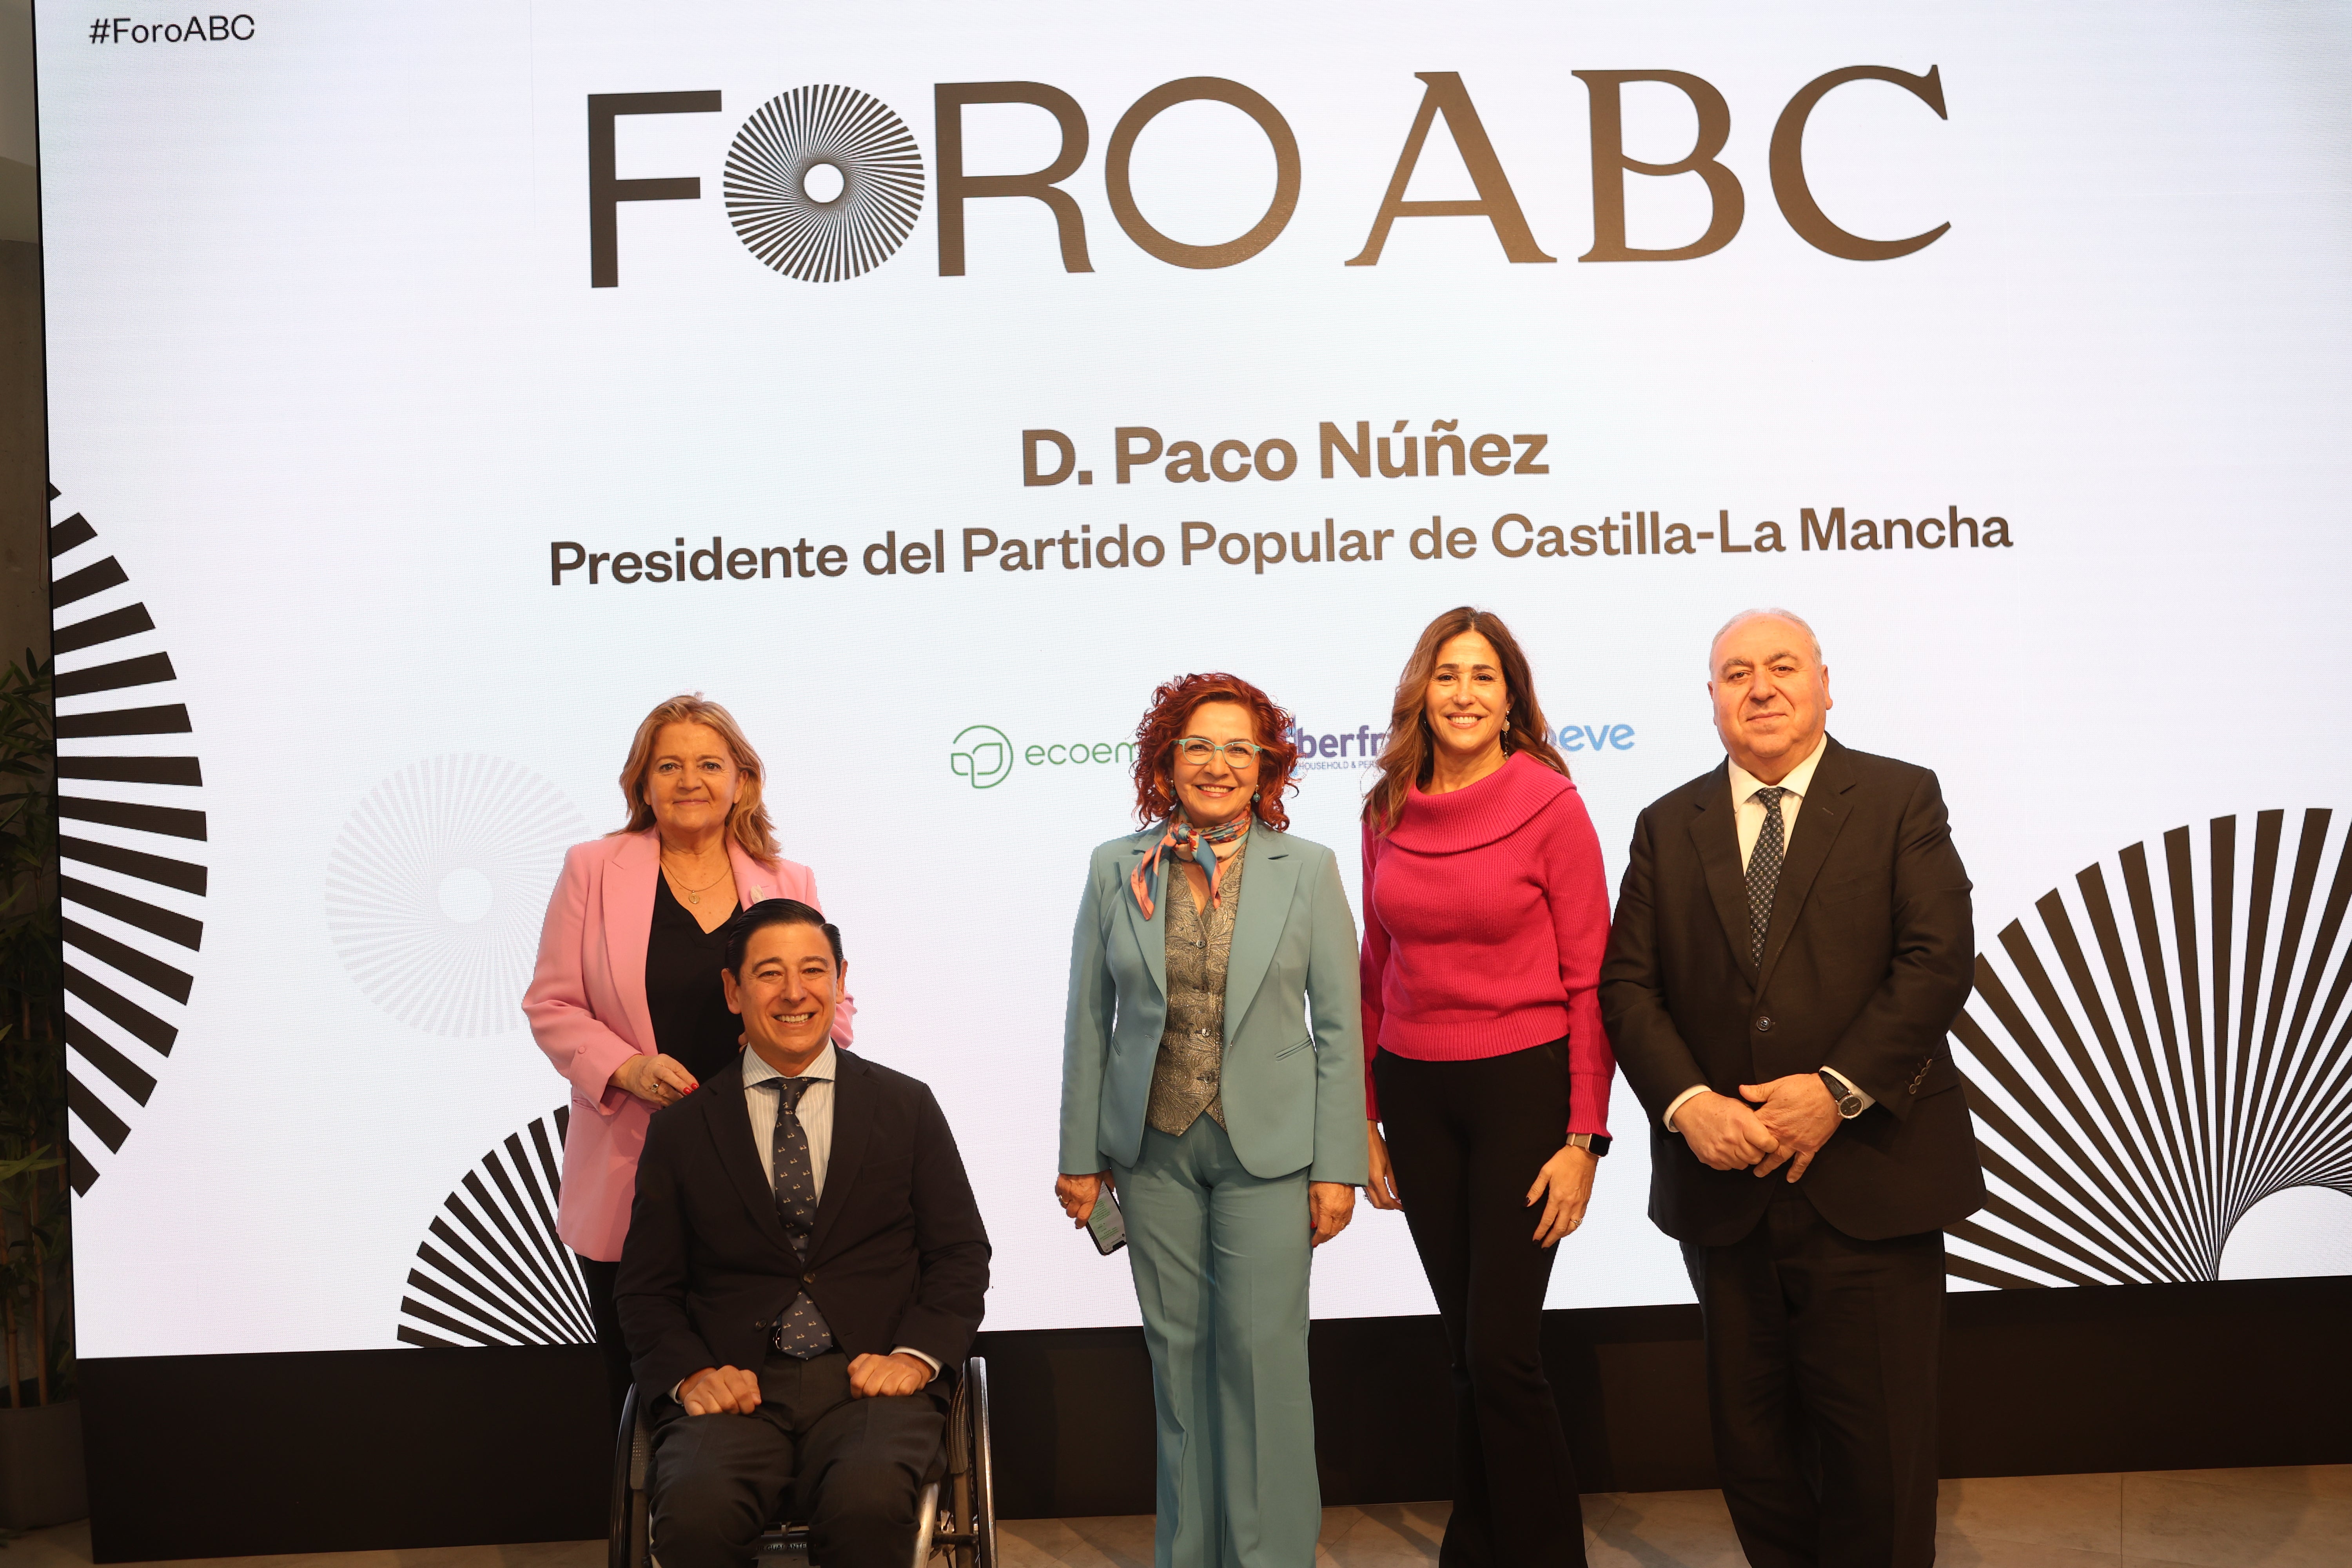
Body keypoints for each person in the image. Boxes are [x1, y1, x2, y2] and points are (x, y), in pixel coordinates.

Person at [1599, 608, 1984, 1568]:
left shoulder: (1900, 797)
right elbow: (1628, 986)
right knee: (1755, 1450)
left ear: (1824, 684)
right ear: (1714, 698)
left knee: (1880, 1455)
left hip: (1871, 1174)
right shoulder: (1667, 822)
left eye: (1781, 667)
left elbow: (1936, 961)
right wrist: (1693, 1105)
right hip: (1728, 1187)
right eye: (1737, 672)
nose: (1760, 687)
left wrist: (1837, 1088)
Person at [1056, 672, 1366, 1568]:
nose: (1217, 763)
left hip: (1270, 1150)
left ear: (1266, 764)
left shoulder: (1306, 867)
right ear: (1167, 759)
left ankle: (1270, 1557)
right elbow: (1088, 1017)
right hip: (1150, 1149)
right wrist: (1081, 1154)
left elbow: (1341, 1026)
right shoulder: (1117, 864)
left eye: (1239, 747)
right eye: (1197, 744)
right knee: (1178, 1361)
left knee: (1265, 1361)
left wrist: (1338, 1161)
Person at [618, 898, 988, 1568]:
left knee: (870, 1505)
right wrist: (691, 1375)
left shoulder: (906, 1106)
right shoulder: (680, 1130)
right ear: (734, 991)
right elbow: (646, 1290)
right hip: (734, 1392)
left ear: (841, 981)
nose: (795, 993)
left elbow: (960, 1255)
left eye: (814, 971)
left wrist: (915, 1357)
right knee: (694, 1513)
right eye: (769, 974)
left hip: (873, 1384)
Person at [1357, 606, 1614, 1568]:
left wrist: (1584, 1137)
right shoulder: (1386, 807)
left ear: (1512, 698)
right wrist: (1364, 1120)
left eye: (1484, 676)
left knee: (1504, 1352)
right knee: (1468, 1353)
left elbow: (1592, 978)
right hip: (1417, 1096)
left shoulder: (1550, 803)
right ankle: (1477, 1545)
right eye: (1448, 674)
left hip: (1524, 1089)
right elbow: (1373, 967)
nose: (1464, 693)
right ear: (1423, 689)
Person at [524, 695, 854, 1425]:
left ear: (742, 780)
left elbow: (837, 1004)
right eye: (668, 765)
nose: (689, 780)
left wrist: (793, 1041)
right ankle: (654, 1529)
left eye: (709, 764)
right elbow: (551, 1003)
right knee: (648, 1370)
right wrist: (624, 1067)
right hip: (636, 1159)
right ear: (642, 783)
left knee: (760, 1367)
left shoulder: (787, 880)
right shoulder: (592, 869)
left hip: (767, 1161)